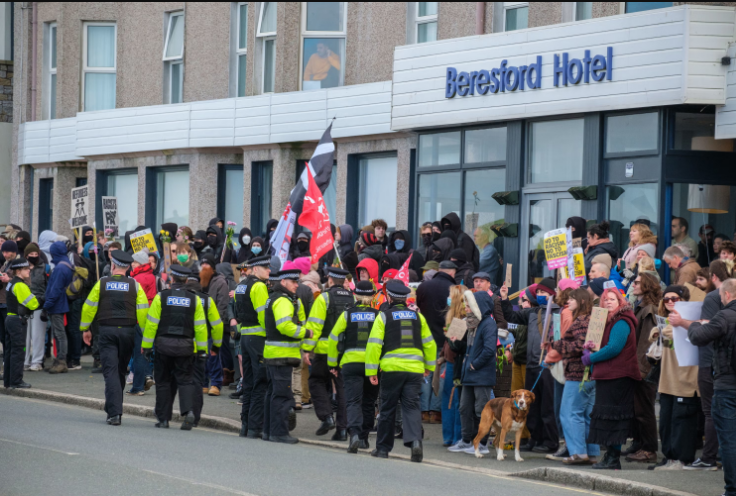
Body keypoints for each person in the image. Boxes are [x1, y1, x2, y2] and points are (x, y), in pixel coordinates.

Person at [365, 281, 437, 462]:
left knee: (387, 408)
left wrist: (371, 370)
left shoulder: (383, 316)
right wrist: (429, 367)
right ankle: (415, 444)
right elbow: (429, 343)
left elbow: (373, 345)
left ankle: (382, 449)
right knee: (411, 407)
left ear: (388, 297)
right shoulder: (418, 317)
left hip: (392, 369)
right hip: (414, 370)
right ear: (405, 299)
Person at [680, 278, 736, 496]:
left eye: (721, 295)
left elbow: (697, 337)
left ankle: (732, 490)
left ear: (728, 295)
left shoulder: (725, 316)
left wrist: (695, 323)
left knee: (729, 441)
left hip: (727, 387)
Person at [80, 250, 149, 426]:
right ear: (128, 267)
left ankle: (114, 412)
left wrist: (85, 328)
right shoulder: (135, 285)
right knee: (119, 370)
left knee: (110, 371)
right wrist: (146, 338)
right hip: (128, 333)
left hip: (107, 331)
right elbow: (143, 312)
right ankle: (113, 407)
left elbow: (88, 308)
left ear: (112, 265)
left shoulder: (102, 283)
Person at [675, 260, 729, 471]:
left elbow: (707, 328)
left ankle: (709, 457)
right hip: (725, 363)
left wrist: (682, 323)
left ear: (713, 277)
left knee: (710, 411)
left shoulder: (712, 297)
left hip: (709, 361)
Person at [142, 265, 208, 430]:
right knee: (185, 381)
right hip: (185, 347)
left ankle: (163, 419)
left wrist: (147, 346)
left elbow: (151, 325)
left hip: (163, 346)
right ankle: (188, 413)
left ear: (171, 279)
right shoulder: (194, 299)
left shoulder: (161, 297)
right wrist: (201, 350)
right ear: (186, 280)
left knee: (163, 382)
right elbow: (200, 327)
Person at [582, 287, 641, 470]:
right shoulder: (607, 321)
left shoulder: (622, 321)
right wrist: (589, 347)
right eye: (605, 299)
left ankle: (613, 458)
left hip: (619, 376)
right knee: (607, 418)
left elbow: (614, 348)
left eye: (612, 299)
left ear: (620, 302)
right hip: (608, 375)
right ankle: (610, 457)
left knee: (614, 418)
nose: (608, 302)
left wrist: (591, 358)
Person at [501, 277, 560, 454]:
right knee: (532, 406)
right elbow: (511, 315)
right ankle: (535, 438)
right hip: (532, 364)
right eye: (539, 292)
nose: (541, 295)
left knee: (547, 407)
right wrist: (504, 299)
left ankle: (550, 441)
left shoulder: (560, 312)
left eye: (544, 292)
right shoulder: (533, 313)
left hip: (548, 366)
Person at [648, 285, 701, 470]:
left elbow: (669, 332)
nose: (670, 302)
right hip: (667, 381)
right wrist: (657, 331)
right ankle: (670, 458)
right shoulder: (666, 322)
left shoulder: (690, 319)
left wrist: (661, 330)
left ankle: (682, 459)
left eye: (675, 299)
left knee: (682, 423)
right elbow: (658, 333)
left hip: (685, 381)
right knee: (666, 423)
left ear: (684, 301)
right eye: (666, 299)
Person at [327, 280, 381, 453]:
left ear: (355, 295)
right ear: (372, 296)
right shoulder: (379, 315)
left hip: (350, 364)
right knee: (369, 401)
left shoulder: (347, 315)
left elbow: (333, 339)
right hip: (372, 366)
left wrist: (332, 363)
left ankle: (355, 436)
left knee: (353, 401)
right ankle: (364, 438)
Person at [550, 288, 599, 465]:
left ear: (582, 301)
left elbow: (581, 345)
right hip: (590, 374)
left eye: (572, 299)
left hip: (578, 374)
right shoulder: (590, 319)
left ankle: (578, 452)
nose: (568, 301)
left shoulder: (580, 320)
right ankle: (591, 452)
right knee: (586, 415)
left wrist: (558, 346)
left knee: (569, 413)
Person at [263, 266, 312, 444]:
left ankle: (268, 431)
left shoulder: (273, 298)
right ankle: (279, 432)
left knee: (272, 394)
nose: (296, 285)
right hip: (281, 355)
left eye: (297, 281)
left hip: (272, 353)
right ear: (283, 281)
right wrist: (305, 333)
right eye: (293, 281)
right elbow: (284, 326)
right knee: (282, 396)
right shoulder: (283, 301)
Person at [303, 267, 353, 439]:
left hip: (324, 351)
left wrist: (307, 349)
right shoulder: (353, 299)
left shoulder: (324, 298)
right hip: (346, 353)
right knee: (342, 389)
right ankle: (342, 430)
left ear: (330, 280)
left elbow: (314, 326)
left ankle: (326, 417)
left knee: (316, 382)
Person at [623, 272, 661, 463]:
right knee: (637, 410)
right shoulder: (640, 307)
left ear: (647, 286)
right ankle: (639, 444)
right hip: (637, 367)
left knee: (645, 411)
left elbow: (646, 344)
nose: (634, 284)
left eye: (637, 282)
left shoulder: (650, 310)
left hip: (644, 368)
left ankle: (649, 449)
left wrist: (641, 370)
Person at [456, 290, 499, 456]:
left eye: (469, 305)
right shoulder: (469, 323)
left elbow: (489, 349)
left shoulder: (488, 323)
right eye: (466, 305)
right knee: (464, 408)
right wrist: (453, 339)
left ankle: (481, 443)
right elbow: (459, 348)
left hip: (480, 374)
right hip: (469, 374)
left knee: (481, 409)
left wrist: (474, 364)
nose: (466, 308)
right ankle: (466, 440)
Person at [233, 255, 271, 438]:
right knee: (260, 383)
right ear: (255, 269)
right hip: (258, 339)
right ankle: (256, 427)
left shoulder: (241, 286)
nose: (269, 271)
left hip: (245, 338)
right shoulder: (259, 286)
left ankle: (245, 425)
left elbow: (237, 309)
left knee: (247, 383)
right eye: (266, 268)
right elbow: (263, 316)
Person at [183, 271, 223, 427]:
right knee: (198, 383)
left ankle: (186, 413)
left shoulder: (181, 297)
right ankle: (195, 417)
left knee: (184, 381)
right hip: (201, 346)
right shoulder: (207, 300)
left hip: (182, 345)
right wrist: (216, 346)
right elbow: (217, 325)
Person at [3, 258, 40, 389]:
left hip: (9, 318)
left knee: (10, 350)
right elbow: (33, 304)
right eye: (26, 269)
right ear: (18, 271)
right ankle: (16, 381)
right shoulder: (20, 285)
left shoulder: (11, 283)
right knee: (19, 350)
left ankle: (8, 380)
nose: (29, 270)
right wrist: (40, 299)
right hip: (18, 321)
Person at [440, 285, 468, 448]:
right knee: (452, 400)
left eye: (451, 295)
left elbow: (454, 344)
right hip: (452, 363)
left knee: (454, 400)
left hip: (456, 364)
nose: (448, 298)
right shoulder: (455, 319)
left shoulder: (459, 321)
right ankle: (451, 436)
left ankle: (454, 436)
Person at [200, 254, 230, 396]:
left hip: (214, 325)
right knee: (202, 355)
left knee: (214, 355)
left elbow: (222, 306)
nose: (203, 268)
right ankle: (204, 383)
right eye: (202, 265)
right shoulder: (201, 282)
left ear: (212, 268)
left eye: (206, 265)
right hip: (201, 325)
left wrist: (216, 325)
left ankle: (216, 384)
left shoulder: (221, 283)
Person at [44, 241, 74, 374]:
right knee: (59, 333)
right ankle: (59, 360)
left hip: (57, 305)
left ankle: (61, 361)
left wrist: (46, 306)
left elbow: (54, 289)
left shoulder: (60, 268)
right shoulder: (66, 264)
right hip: (61, 303)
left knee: (59, 334)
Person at [23, 243, 48, 372]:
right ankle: (25, 361)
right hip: (24, 305)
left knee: (38, 335)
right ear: (26, 255)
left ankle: (37, 361)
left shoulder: (44, 268)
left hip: (39, 304)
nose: (33, 256)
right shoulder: (22, 268)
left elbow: (47, 287)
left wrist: (42, 299)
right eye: (30, 254)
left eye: (35, 254)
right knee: (25, 336)